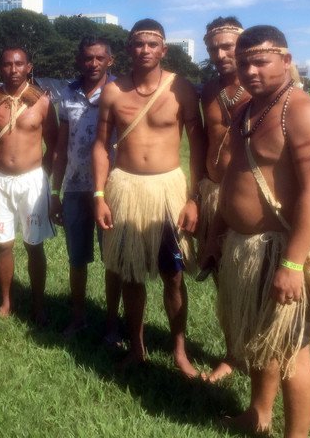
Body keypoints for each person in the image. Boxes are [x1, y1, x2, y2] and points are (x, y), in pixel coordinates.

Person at [206, 25, 310, 436]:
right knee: (258, 338)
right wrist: (216, 231)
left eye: (261, 60)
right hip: (244, 247)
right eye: (244, 62)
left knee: (292, 350)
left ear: (287, 60)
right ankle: (257, 414)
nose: (251, 70)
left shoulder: (301, 112)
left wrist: (293, 263)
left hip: (280, 248)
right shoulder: (249, 108)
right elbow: (233, 178)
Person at [92, 19, 206, 378]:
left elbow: (199, 144)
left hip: (168, 190)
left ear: (163, 49)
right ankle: (138, 346)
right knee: (130, 275)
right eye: (138, 44)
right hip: (125, 188)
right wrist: (99, 195)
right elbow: (100, 145)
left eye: (152, 44)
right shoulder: (113, 91)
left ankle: (179, 350)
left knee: (173, 275)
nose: (145, 50)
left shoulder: (181, 89)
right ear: (128, 49)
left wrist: (193, 199)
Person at [50, 37, 122, 341]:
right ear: (80, 60)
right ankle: (78, 318)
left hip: (110, 189)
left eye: (99, 58)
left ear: (110, 61)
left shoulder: (120, 91)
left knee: (113, 260)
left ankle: (111, 324)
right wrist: (55, 192)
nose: (93, 64)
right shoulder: (67, 93)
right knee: (76, 259)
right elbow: (60, 147)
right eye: (87, 58)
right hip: (75, 189)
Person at [0, 47, 58, 326]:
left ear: (29, 66)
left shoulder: (42, 102)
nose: (13, 69)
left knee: (34, 245)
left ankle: (38, 303)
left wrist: (45, 180)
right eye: (7, 64)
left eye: (19, 64)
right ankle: (6, 302)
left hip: (32, 180)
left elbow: (53, 143)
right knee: (3, 245)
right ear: (1, 68)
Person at [197, 16, 250, 382]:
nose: (219, 54)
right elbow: (201, 142)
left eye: (227, 46)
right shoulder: (207, 91)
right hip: (212, 193)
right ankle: (233, 353)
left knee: (249, 279)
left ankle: (260, 352)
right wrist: (195, 191)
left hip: (250, 199)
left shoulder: (264, 88)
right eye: (213, 48)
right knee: (220, 275)